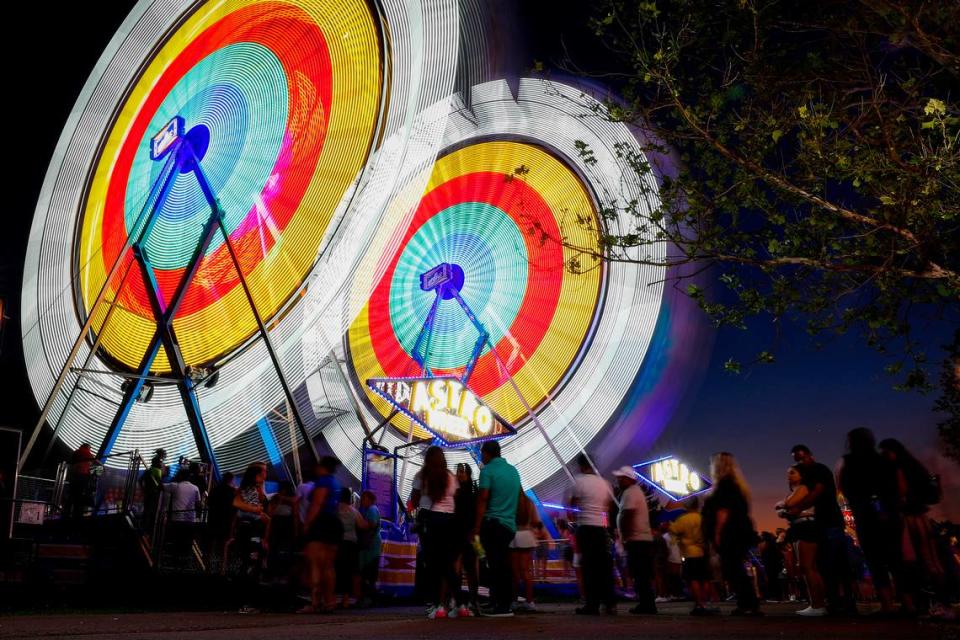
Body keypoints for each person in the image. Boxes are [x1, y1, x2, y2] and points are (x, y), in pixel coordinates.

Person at [837, 428, 909, 615]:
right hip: (889, 513)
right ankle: (908, 602)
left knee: (875, 560)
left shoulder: (847, 462)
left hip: (865, 515)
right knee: (896, 558)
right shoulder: (885, 460)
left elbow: (842, 487)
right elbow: (901, 488)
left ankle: (887, 604)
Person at [878, 438, 950, 618]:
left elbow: (901, 493)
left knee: (920, 562)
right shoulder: (916, 468)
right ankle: (942, 603)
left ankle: (932, 604)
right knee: (932, 562)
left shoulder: (899, 468)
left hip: (910, 520)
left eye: (885, 453)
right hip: (923, 517)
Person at [791, 444, 854, 614]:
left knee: (832, 564)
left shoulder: (818, 470)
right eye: (797, 459)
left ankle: (842, 603)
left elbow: (817, 491)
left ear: (810, 455)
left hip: (830, 521)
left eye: (802, 457)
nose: (800, 461)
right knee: (827, 565)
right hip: (824, 523)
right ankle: (836, 602)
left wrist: (798, 506)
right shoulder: (810, 474)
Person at [702, 452, 762, 616]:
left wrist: (717, 533)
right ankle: (749, 603)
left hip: (730, 533)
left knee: (733, 569)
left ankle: (747, 604)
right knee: (736, 568)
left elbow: (723, 511)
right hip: (740, 531)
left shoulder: (724, 485)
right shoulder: (738, 486)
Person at [473, 440, 521, 617]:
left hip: (493, 524)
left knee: (495, 565)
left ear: (486, 453)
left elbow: (483, 499)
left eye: (481, 453)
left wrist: (477, 527)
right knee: (501, 563)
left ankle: (503, 605)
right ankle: (498, 602)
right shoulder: (513, 471)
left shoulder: (487, 471)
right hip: (509, 525)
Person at [412, 446, 459, 619]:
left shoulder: (422, 475)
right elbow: (456, 498)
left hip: (430, 520)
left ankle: (437, 605)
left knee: (433, 564)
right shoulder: (450, 476)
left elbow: (414, 499)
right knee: (448, 563)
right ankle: (455, 602)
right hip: (450, 520)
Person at [776, 465, 826, 616]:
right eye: (788, 473)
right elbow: (786, 511)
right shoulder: (797, 491)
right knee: (809, 567)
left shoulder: (803, 488)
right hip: (801, 526)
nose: (789, 476)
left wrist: (782, 504)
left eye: (792, 473)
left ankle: (817, 605)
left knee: (807, 567)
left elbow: (788, 506)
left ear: (802, 475)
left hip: (806, 526)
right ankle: (817, 604)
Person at [570, 453, 616, 615]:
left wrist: (577, 521)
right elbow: (607, 509)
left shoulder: (579, 482)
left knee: (588, 567)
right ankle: (610, 603)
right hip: (601, 529)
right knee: (604, 567)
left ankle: (592, 604)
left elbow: (571, 506)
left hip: (586, 527)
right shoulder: (605, 484)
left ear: (581, 466)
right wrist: (604, 526)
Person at [301, 456, 343, 614]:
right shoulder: (336, 483)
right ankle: (330, 601)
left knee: (315, 564)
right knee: (328, 566)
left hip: (321, 524)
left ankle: (314, 602)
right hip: (334, 524)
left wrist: (307, 524)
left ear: (323, 467)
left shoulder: (323, 482)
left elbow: (316, 504)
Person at [612, 466, 657, 615]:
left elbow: (627, 514)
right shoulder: (634, 492)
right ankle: (647, 603)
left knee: (640, 573)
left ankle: (647, 604)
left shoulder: (631, 493)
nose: (618, 480)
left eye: (621, 478)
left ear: (629, 479)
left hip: (636, 539)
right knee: (641, 573)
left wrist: (624, 535)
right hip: (639, 538)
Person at [233, 462, 270, 614]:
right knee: (251, 564)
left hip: (251, 530)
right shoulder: (250, 490)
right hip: (251, 531)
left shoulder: (255, 489)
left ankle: (246, 602)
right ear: (257, 475)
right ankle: (246, 603)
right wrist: (257, 511)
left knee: (250, 564)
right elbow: (239, 506)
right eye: (263, 472)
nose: (266, 475)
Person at [670, 496, 715, 615]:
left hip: (689, 553)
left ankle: (699, 604)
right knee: (705, 578)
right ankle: (705, 603)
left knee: (693, 579)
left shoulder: (683, 519)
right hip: (702, 551)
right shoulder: (702, 518)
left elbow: (673, 531)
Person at [453, 463, 480, 616]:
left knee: (474, 567)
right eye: (458, 471)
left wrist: (476, 531)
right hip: (458, 533)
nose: (460, 474)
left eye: (462, 471)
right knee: (456, 566)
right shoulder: (454, 492)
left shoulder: (474, 492)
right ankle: (458, 600)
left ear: (469, 474)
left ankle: (473, 600)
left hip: (473, 534)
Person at [336, 487, 369, 608]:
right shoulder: (353, 511)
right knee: (349, 571)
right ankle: (345, 600)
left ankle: (332, 599)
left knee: (337, 570)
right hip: (351, 544)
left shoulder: (335, 509)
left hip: (338, 543)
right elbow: (363, 525)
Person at [510, 491, 540, 612]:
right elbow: (535, 521)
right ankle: (530, 601)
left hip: (514, 535)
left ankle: (514, 601)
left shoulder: (511, 501)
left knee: (515, 572)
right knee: (526, 571)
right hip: (527, 535)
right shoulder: (530, 502)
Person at [206, 471, 236, 573]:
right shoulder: (233, 491)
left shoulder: (215, 489)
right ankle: (221, 569)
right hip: (225, 521)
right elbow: (235, 508)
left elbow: (208, 503)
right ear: (231, 480)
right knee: (223, 546)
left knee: (211, 544)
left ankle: (207, 567)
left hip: (213, 519)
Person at [357, 490, 382, 607]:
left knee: (368, 571)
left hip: (370, 546)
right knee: (369, 572)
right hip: (370, 545)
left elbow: (371, 524)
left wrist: (359, 521)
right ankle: (371, 598)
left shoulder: (372, 510)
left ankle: (369, 598)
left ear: (370, 499)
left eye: (364, 498)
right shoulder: (369, 510)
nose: (362, 501)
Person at [65, 443, 99, 519]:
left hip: (73, 476)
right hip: (82, 476)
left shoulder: (76, 452)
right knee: (79, 496)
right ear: (87, 447)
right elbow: (95, 461)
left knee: (71, 494)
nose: (90, 449)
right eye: (90, 448)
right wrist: (101, 466)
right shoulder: (86, 452)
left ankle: (66, 513)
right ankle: (77, 515)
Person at [140, 448, 167, 537]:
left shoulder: (149, 470)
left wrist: (143, 489)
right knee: (152, 512)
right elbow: (160, 482)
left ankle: (144, 529)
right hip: (154, 494)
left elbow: (140, 481)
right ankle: (149, 531)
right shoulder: (158, 470)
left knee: (147, 511)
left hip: (149, 493)